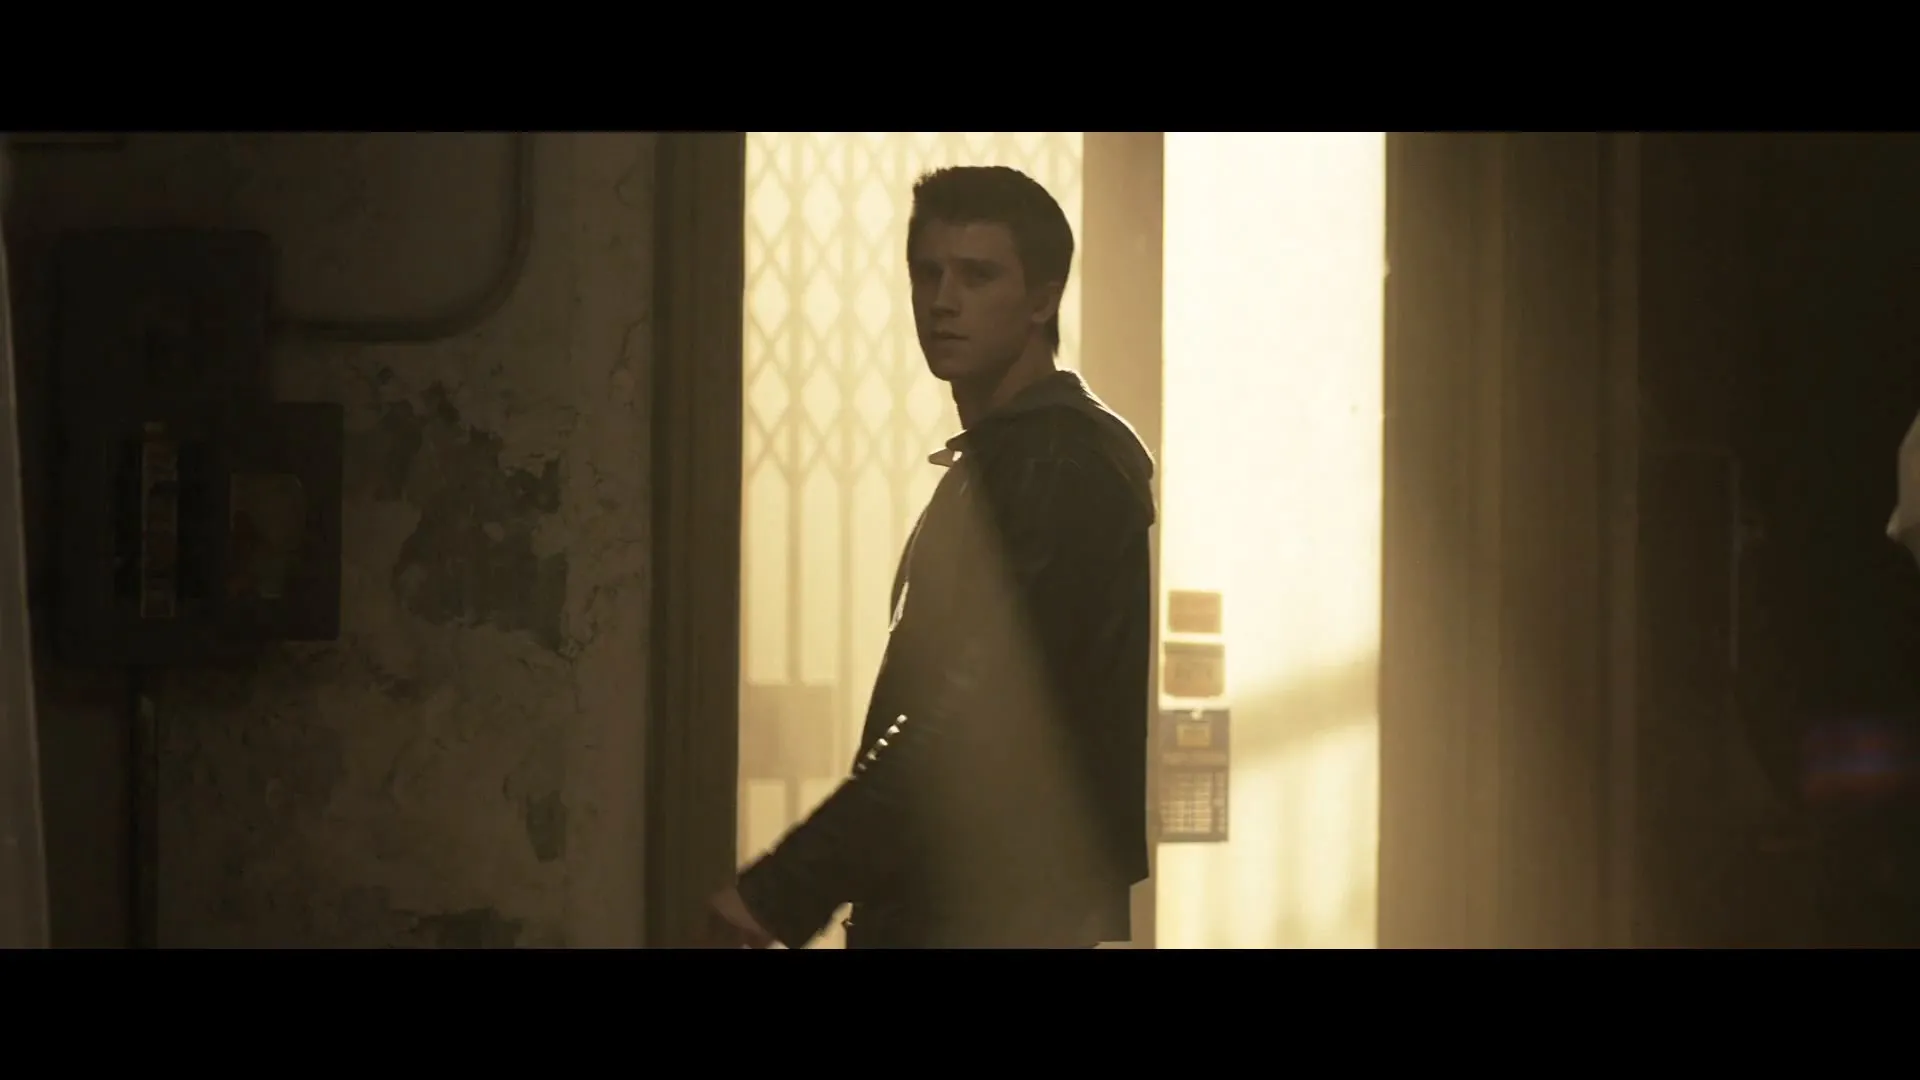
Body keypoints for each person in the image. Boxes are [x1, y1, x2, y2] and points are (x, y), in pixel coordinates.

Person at [706, 164, 1157, 949]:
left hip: (992, 910)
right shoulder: (1013, 462)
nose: (943, 300)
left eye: (978, 276)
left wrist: (785, 889)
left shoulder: (1055, 467)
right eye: (928, 273)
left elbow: (971, 712)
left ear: (1042, 300)